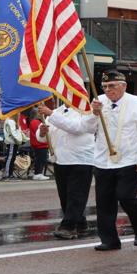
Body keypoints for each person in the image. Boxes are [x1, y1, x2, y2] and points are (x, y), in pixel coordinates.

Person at [86, 69, 137, 249]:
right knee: (104, 203)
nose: (108, 90)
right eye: (105, 86)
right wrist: (94, 113)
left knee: (126, 197)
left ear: (123, 86)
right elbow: (86, 128)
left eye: (112, 86)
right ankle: (109, 240)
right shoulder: (98, 102)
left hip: (129, 159)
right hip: (103, 160)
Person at [46, 99, 97, 239]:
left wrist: (51, 114)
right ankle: (80, 222)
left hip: (81, 159)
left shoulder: (87, 110)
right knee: (65, 197)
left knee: (76, 195)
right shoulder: (57, 112)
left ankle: (68, 226)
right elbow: (46, 137)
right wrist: (42, 131)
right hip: (60, 159)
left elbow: (77, 128)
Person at [27, 106, 51, 179]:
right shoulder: (35, 122)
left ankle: (39, 173)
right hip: (39, 144)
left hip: (39, 144)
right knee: (41, 159)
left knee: (40, 159)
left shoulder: (34, 122)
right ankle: (38, 173)